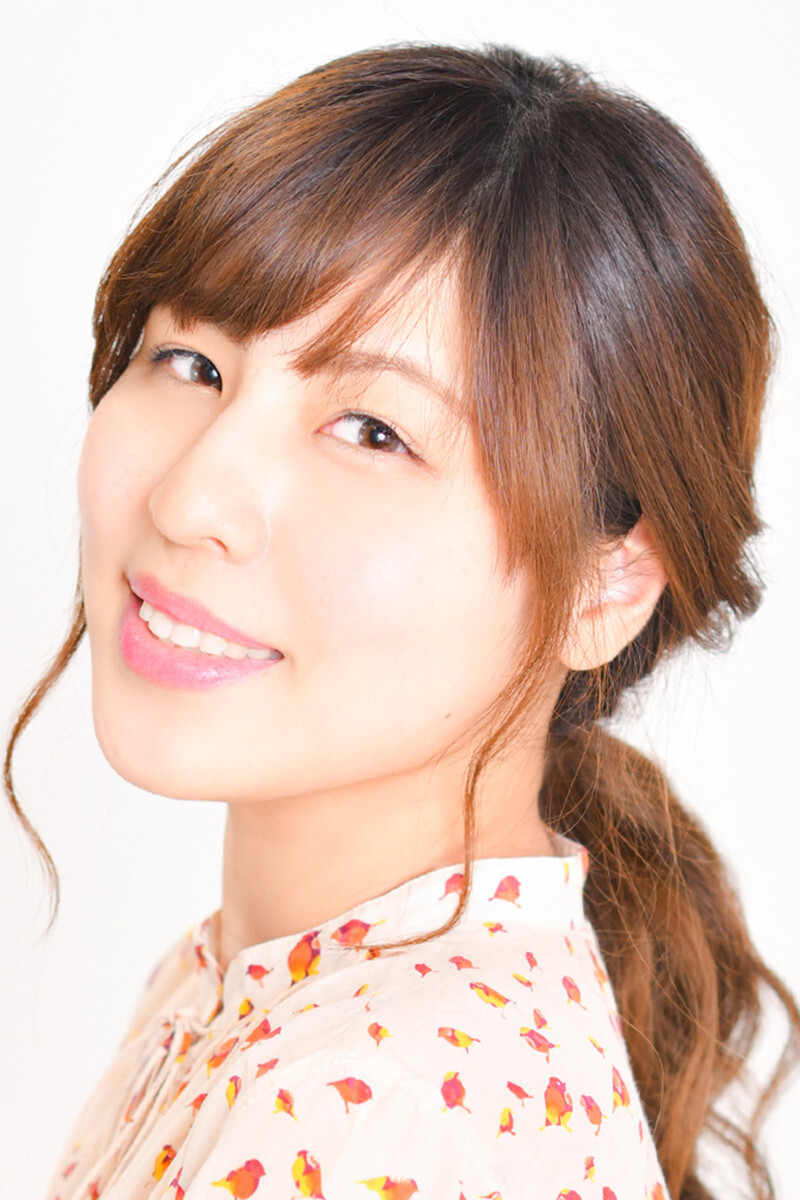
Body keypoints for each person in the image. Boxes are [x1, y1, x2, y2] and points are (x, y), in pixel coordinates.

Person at [5, 43, 799, 1200]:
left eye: (374, 432)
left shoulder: (383, 1114)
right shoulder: (254, 992)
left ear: (603, 583)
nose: (188, 498)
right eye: (188, 361)